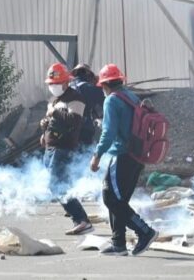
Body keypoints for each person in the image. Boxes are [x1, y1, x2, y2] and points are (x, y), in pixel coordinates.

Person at [90, 63, 158, 256]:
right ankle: (118, 243)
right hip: (137, 155)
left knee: (110, 197)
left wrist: (97, 155)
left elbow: (108, 132)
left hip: (122, 155)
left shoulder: (111, 100)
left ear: (105, 85)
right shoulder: (131, 97)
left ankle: (145, 231)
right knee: (118, 199)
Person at [40, 62, 94, 236]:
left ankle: (81, 220)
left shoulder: (75, 98)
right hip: (51, 148)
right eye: (50, 84)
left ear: (65, 83)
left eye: (55, 84)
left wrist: (53, 113)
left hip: (63, 148)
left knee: (57, 185)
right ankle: (79, 219)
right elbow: (54, 120)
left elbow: (74, 120)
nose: (52, 87)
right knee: (58, 185)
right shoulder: (55, 100)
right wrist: (45, 126)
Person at [70, 64, 106, 147]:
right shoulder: (89, 88)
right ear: (88, 75)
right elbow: (106, 101)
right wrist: (98, 85)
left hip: (67, 130)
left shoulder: (67, 88)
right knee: (83, 156)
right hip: (84, 129)